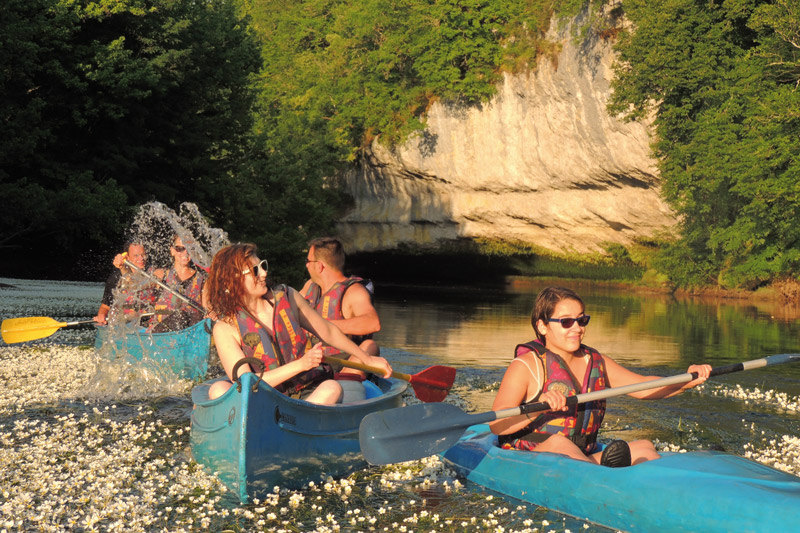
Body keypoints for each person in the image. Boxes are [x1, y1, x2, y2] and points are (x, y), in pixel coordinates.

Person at [490, 286, 711, 467]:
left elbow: (643, 387)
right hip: (531, 455)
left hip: (583, 455)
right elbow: (497, 424)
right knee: (559, 444)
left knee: (644, 447)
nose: (577, 328)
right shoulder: (527, 365)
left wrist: (686, 380)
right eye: (566, 322)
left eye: (581, 320)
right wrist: (539, 407)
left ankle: (605, 471)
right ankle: (604, 474)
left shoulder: (596, 361)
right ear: (543, 326)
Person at [204, 243, 393, 403]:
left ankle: (297, 423)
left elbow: (328, 331)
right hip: (262, 399)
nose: (263, 273)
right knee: (218, 389)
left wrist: (367, 359)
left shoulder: (289, 297)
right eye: (255, 270)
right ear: (232, 280)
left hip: (306, 393)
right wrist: (302, 364)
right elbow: (246, 382)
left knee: (332, 388)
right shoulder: (225, 327)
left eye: (262, 265)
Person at [300, 237, 381, 400]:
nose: (306, 265)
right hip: (313, 358)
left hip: (344, 361)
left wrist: (322, 325)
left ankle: (345, 389)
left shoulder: (354, 292)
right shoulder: (310, 286)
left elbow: (373, 323)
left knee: (370, 345)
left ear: (319, 266)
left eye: (308, 261)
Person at [146, 235, 208, 332]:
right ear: (172, 251)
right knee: (179, 317)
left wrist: (212, 314)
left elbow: (207, 309)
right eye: (180, 249)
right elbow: (137, 284)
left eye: (189, 249)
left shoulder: (203, 280)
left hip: (190, 331)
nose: (186, 252)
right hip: (160, 333)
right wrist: (123, 269)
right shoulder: (160, 275)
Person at [94, 241, 160, 325]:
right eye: (136, 256)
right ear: (127, 257)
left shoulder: (153, 274)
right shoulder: (115, 278)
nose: (141, 258)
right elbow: (105, 307)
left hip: (147, 322)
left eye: (143, 254)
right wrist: (101, 316)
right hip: (123, 323)